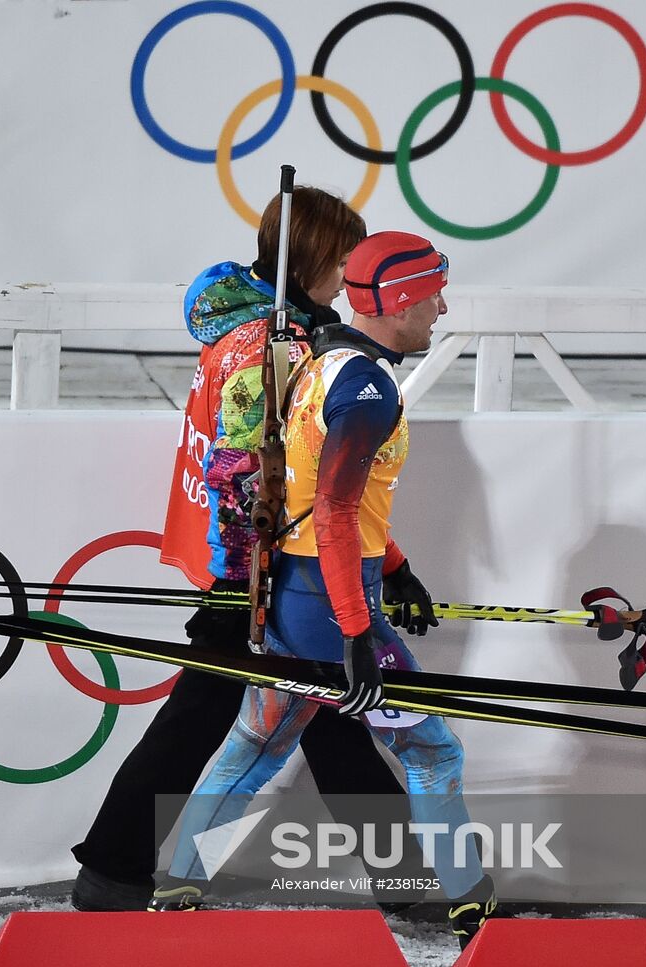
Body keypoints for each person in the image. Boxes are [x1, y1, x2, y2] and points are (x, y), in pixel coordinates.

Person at [70, 187, 426, 914]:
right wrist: (254, 588)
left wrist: (389, 564)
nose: (352, 274)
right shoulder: (278, 347)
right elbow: (274, 482)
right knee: (241, 711)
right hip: (259, 570)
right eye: (346, 257)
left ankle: (112, 869)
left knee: (314, 713)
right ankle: (111, 866)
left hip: (250, 565)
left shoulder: (248, 329)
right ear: (319, 258)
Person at [159, 231, 499, 948]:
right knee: (432, 752)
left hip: (294, 595)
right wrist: (357, 635)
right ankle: (473, 904)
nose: (442, 306)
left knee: (258, 744)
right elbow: (339, 513)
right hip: (332, 606)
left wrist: (397, 566)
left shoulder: (324, 362)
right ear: (400, 300)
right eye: (433, 291)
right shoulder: (369, 388)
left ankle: (178, 883)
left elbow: (324, 494)